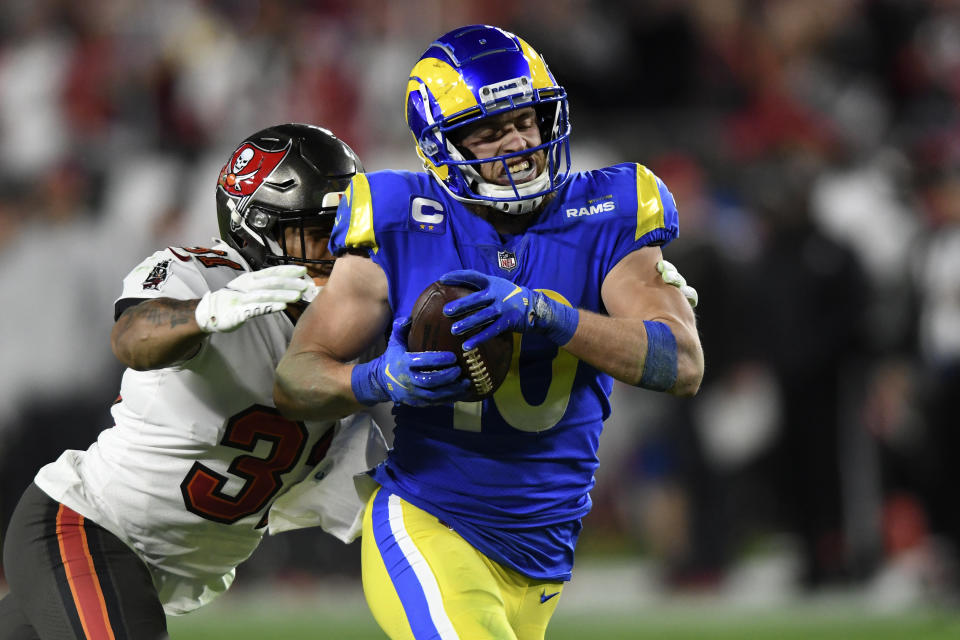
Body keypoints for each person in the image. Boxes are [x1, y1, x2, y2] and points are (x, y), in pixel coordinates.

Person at [274, 24, 704, 640]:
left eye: (526, 120)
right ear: (439, 144)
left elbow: (683, 365)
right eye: (489, 130)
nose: (519, 144)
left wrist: (551, 315)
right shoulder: (397, 216)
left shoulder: (610, 209)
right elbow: (294, 379)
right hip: (431, 521)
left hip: (544, 552)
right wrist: (373, 377)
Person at [0, 123, 385, 639]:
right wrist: (205, 313)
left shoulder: (355, 322)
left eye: (347, 230)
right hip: (87, 526)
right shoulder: (206, 277)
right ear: (261, 229)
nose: (339, 251)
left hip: (157, 569)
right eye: (319, 232)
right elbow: (132, 338)